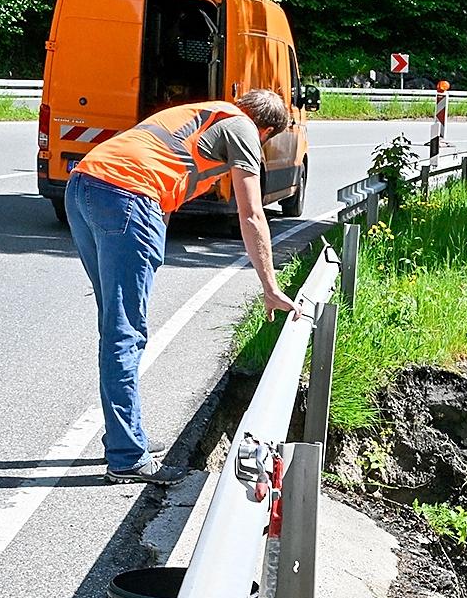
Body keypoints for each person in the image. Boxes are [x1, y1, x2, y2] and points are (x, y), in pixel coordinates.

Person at [65, 89, 301, 483]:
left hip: (84, 186)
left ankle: (127, 436)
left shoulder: (198, 114)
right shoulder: (242, 128)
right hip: (127, 196)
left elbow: (164, 187)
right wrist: (270, 285)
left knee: (114, 325)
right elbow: (252, 214)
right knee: (125, 332)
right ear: (266, 130)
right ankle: (127, 458)